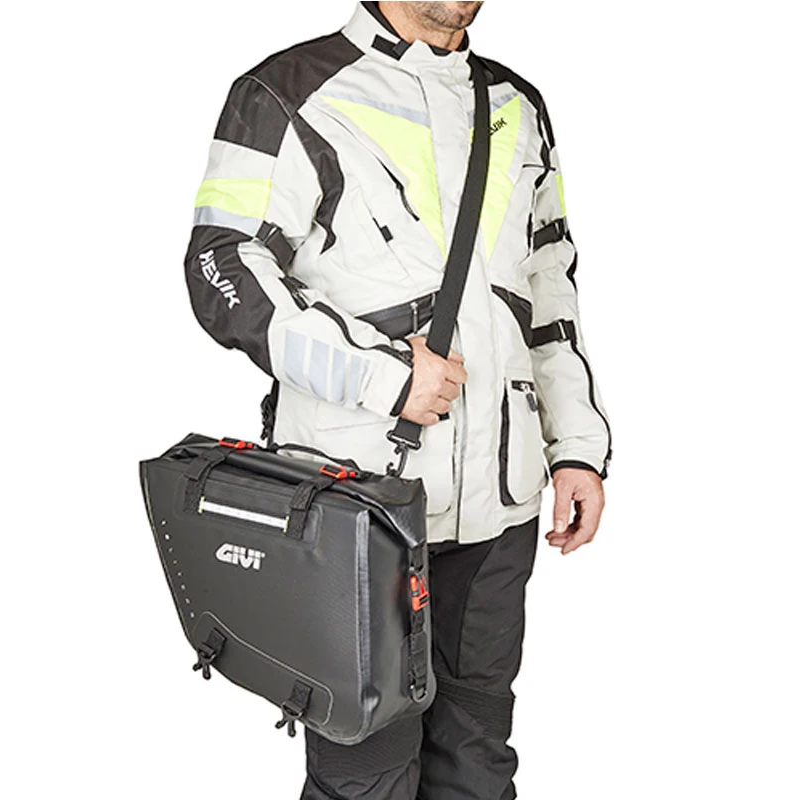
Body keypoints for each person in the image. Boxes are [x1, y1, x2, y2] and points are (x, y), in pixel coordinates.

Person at [183, 1, 611, 797]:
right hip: (356, 507)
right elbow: (223, 269)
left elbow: (549, 285)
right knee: (365, 773)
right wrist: (383, 376)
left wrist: (576, 447)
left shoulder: (517, 105)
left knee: (478, 759)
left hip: (499, 506)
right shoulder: (284, 90)